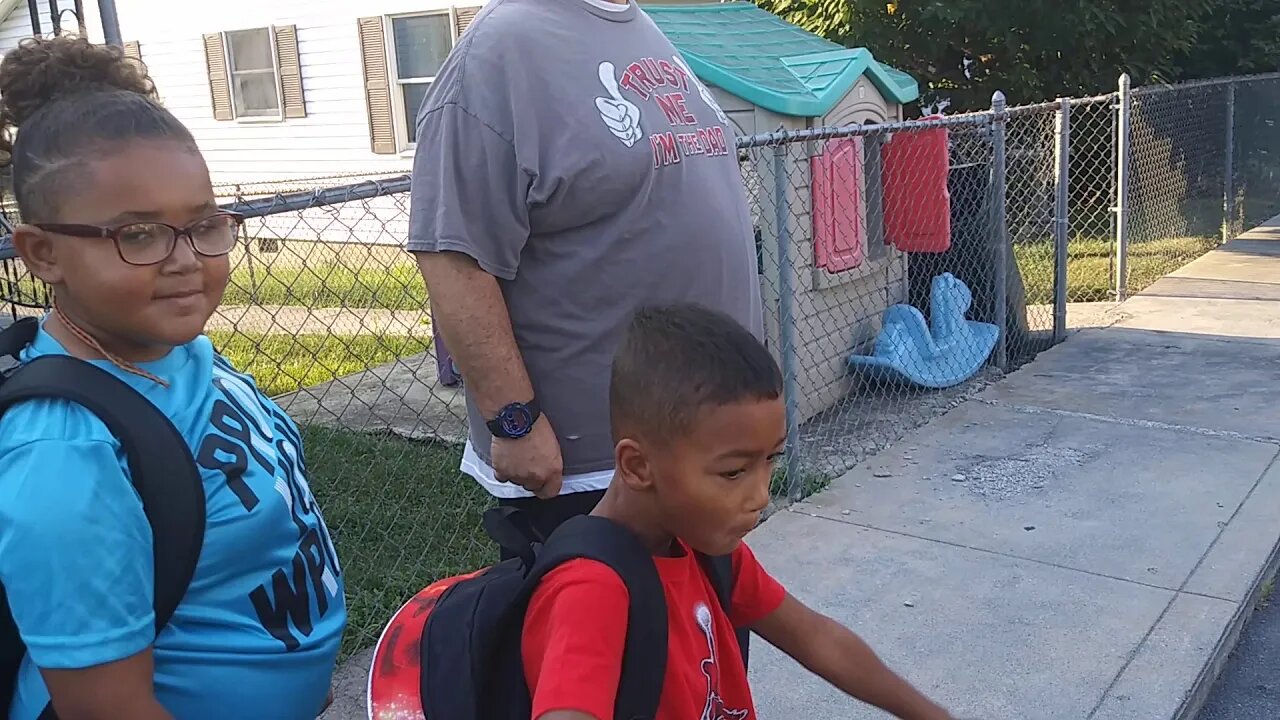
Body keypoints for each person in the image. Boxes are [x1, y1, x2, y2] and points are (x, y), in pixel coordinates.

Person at [0, 37, 345, 719]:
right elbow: (108, 709)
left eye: (203, 224)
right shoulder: (67, 457)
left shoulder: (178, 354)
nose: (187, 260)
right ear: (43, 253)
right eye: (139, 235)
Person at [407, 0, 763, 546]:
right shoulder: (501, 47)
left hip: (697, 450)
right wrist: (514, 420)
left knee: (701, 630)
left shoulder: (636, 25)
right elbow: (452, 254)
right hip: (593, 478)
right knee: (615, 631)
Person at [522, 303, 956, 720]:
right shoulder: (591, 589)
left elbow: (817, 639)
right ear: (638, 466)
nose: (761, 495)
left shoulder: (708, 554)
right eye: (734, 472)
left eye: (772, 460)